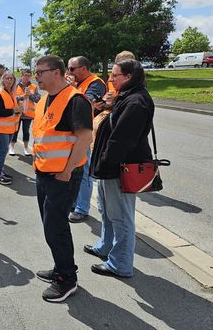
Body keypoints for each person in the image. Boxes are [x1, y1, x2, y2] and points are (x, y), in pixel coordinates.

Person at [85, 59, 154, 279]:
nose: (110, 79)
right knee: (107, 211)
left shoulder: (135, 102)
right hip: (111, 168)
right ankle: (105, 247)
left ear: (129, 77)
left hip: (119, 169)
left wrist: (104, 164)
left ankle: (121, 264)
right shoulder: (125, 97)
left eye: (115, 76)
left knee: (121, 217)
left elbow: (121, 141)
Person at [32, 55, 93, 302]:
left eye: (40, 72)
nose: (36, 77)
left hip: (63, 176)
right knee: (51, 226)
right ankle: (60, 268)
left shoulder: (75, 100)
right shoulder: (44, 101)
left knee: (55, 228)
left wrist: (67, 171)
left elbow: (84, 138)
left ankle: (67, 279)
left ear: (56, 73)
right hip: (44, 173)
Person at [66, 56, 107, 223]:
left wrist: (72, 88)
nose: (68, 72)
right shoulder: (79, 84)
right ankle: (74, 203)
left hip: (85, 135)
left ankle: (82, 209)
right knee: (73, 171)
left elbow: (86, 103)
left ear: (83, 68)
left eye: (71, 69)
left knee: (84, 173)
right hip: (73, 133)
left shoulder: (95, 83)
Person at [0, 71, 20, 185]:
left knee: (3, 150)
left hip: (9, 128)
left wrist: (17, 112)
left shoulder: (11, 93)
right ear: (3, 80)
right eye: (7, 78)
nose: (9, 80)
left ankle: (1, 171)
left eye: (11, 79)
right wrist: (13, 111)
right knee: (3, 151)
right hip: (1, 128)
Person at [9, 69, 40, 156]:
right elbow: (12, 98)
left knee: (26, 131)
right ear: (21, 76)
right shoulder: (15, 86)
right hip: (18, 112)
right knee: (15, 130)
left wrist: (31, 95)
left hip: (28, 114)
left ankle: (26, 148)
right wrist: (22, 97)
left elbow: (38, 99)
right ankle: (11, 148)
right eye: (25, 75)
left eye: (29, 75)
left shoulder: (34, 87)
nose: (27, 77)